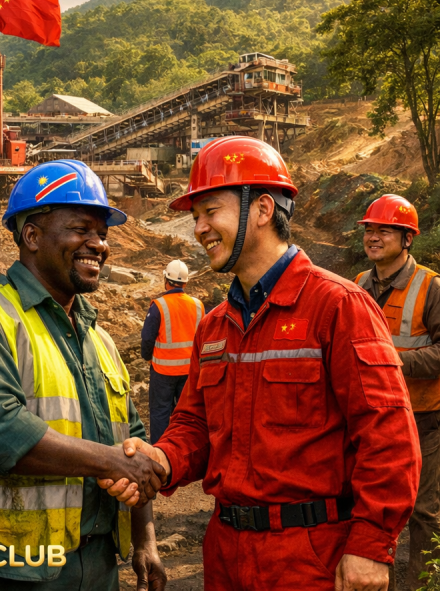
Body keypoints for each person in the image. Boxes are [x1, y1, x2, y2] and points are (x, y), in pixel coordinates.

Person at [115, 135, 420, 591]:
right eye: (195, 217)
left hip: (311, 556)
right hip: (226, 552)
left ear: (261, 209)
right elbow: (194, 425)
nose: (199, 228)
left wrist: (371, 546)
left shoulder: (338, 306)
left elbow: (388, 435)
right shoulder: (215, 325)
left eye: (209, 211)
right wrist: (162, 458)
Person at [0, 159, 167, 591]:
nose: (98, 245)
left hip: (93, 565)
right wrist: (108, 461)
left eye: (102, 234)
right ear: (31, 235)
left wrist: (144, 538)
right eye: (81, 229)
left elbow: (132, 441)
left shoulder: (98, 339)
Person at [357, 194, 440, 590]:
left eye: (383, 230)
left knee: (423, 511)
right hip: (371, 415)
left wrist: (391, 362)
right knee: (370, 502)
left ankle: (422, 584)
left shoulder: (431, 286)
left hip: (423, 417)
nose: (373, 237)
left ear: (407, 239)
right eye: (369, 230)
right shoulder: (359, 284)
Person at [141, 259, 205, 442]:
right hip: (190, 371)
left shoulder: (159, 306)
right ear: (185, 282)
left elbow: (147, 338)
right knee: (188, 413)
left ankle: (161, 452)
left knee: (161, 412)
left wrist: (147, 358)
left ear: (166, 280)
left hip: (163, 371)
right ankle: (187, 446)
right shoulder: (198, 305)